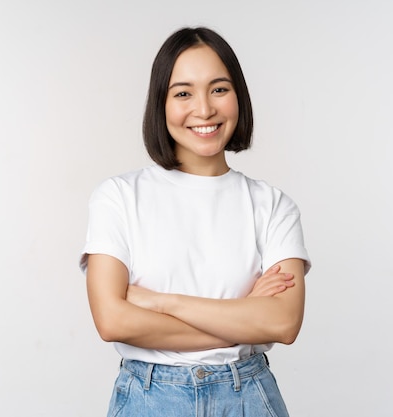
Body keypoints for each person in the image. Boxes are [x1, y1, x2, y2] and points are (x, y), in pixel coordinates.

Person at [80, 26, 311, 417]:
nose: (204, 110)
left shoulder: (272, 205)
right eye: (183, 93)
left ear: (238, 96)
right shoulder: (118, 196)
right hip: (150, 398)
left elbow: (283, 323)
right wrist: (244, 315)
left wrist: (159, 302)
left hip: (247, 397)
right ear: (161, 103)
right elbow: (113, 320)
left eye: (219, 89)